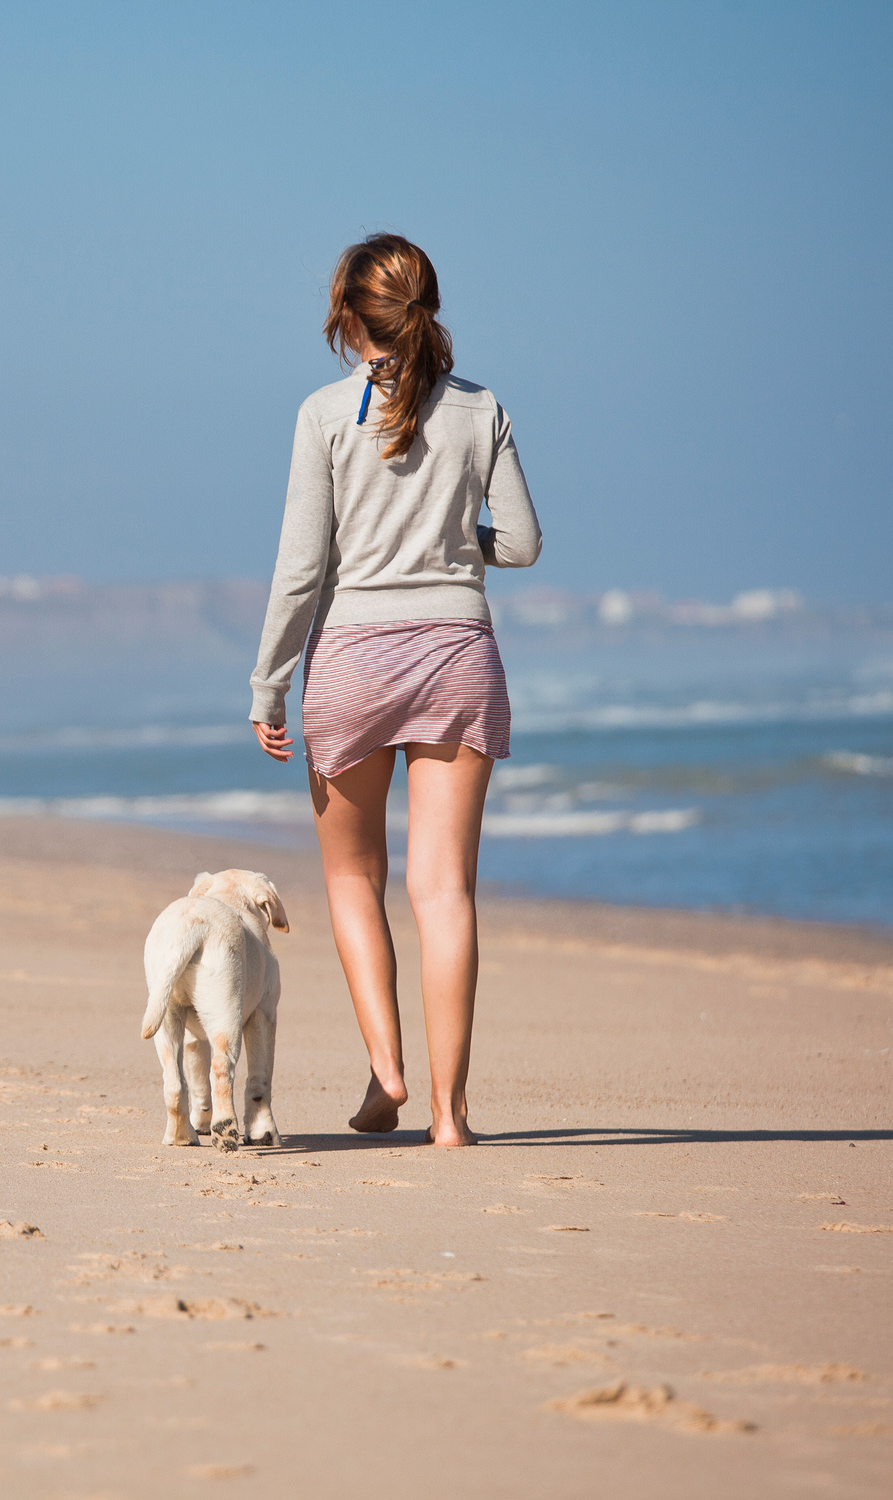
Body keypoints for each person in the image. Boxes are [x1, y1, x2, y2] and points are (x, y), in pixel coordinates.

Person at [248, 233, 541, 1147]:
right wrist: (458, 547)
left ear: (347, 316)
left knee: (351, 876)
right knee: (445, 890)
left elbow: (303, 569)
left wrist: (267, 685)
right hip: (459, 651)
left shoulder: (325, 415)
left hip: (352, 660)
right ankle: (452, 1116)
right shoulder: (480, 408)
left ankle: (388, 1074)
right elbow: (524, 543)